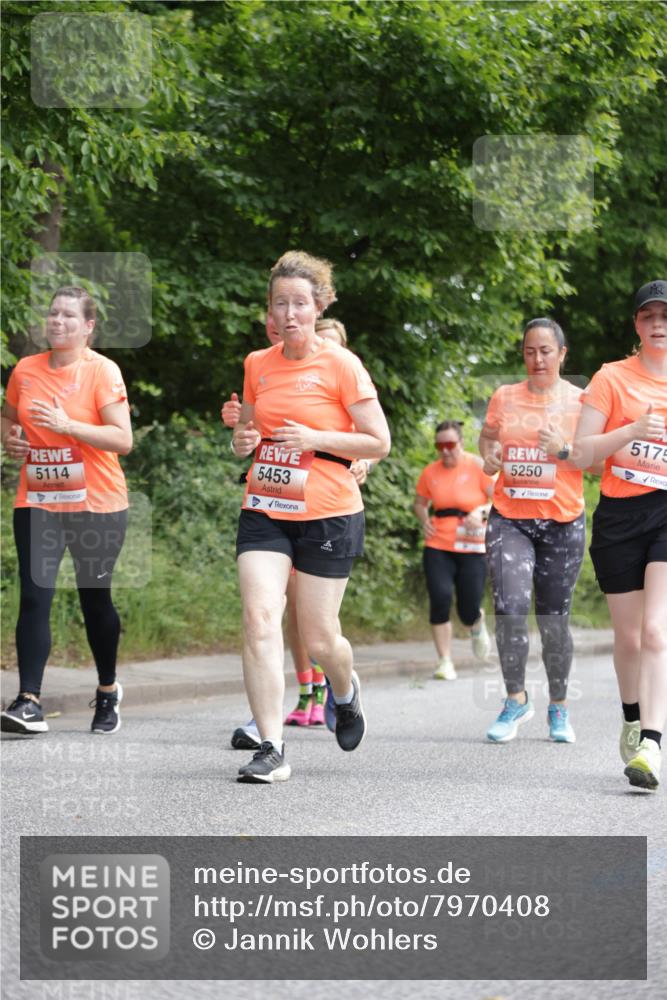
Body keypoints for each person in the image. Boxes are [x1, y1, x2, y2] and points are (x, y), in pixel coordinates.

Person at [230, 250, 391, 782]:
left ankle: (344, 691)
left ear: (319, 305)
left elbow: (379, 441)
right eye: (281, 304)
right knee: (258, 617)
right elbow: (245, 438)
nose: (290, 313)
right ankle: (271, 746)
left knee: (321, 639)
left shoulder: (341, 364)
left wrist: (317, 437)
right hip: (267, 506)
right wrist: (243, 437)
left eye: (301, 302)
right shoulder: (258, 363)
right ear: (271, 312)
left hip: (327, 512)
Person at [1, 287, 132, 736]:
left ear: (88, 327)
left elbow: (123, 439)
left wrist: (68, 426)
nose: (58, 321)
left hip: (96, 502)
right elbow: (8, 417)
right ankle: (29, 700)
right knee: (35, 593)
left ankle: (108, 690)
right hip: (38, 498)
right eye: (53, 313)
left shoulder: (102, 371)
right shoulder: (26, 370)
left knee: (94, 598)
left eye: (69, 316)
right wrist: (11, 438)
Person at [574, 280, 667, 790]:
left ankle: (652, 744)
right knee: (628, 637)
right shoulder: (611, 379)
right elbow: (583, 454)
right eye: (649, 316)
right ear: (636, 324)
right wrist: (629, 433)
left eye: (666, 317)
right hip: (620, 515)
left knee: (656, 631)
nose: (659, 324)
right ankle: (632, 716)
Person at [478, 318, 586, 744]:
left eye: (546, 351)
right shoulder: (504, 396)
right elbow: (486, 439)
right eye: (529, 351)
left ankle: (558, 707)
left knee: (554, 623)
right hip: (510, 517)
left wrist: (563, 449)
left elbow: (597, 461)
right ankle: (515, 698)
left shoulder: (583, 401)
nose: (537, 358)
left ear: (562, 354)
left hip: (562, 521)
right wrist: (490, 457)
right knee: (510, 606)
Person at [413, 420, 494, 679]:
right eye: (439, 446)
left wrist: (480, 511)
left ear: (461, 443)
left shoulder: (478, 466)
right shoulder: (430, 472)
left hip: (472, 545)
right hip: (438, 543)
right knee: (440, 597)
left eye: (450, 445)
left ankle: (477, 623)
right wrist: (424, 521)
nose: (445, 451)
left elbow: (500, 499)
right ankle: (444, 661)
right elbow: (419, 503)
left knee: (467, 609)